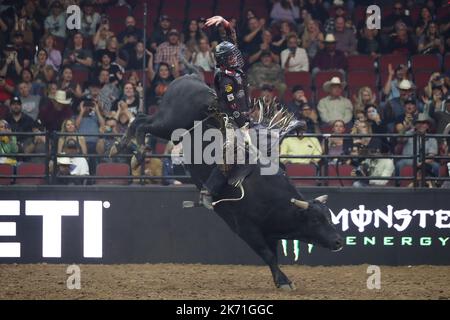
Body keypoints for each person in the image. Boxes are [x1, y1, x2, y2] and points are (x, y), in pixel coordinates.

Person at [198, 15, 252, 209]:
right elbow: (233, 106)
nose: (236, 58)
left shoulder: (232, 68)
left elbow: (231, 42)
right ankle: (208, 190)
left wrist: (226, 23)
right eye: (232, 57)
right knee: (231, 154)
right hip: (230, 120)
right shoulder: (225, 79)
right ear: (224, 60)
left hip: (245, 116)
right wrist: (243, 126)